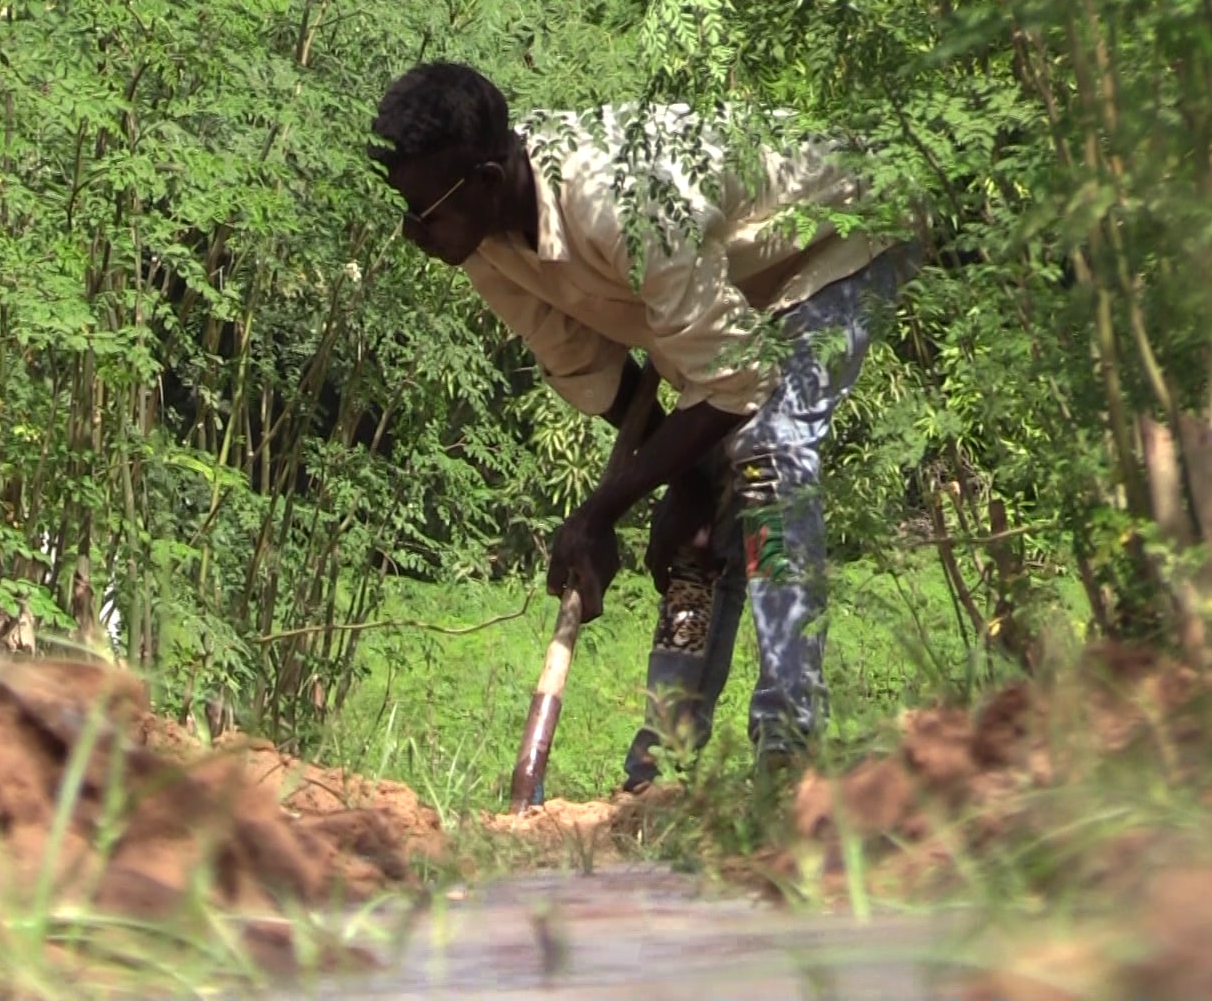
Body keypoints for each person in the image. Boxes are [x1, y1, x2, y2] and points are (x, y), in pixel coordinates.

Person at [367, 61, 923, 794]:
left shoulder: (618, 199)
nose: (415, 234)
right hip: (725, 308)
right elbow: (595, 370)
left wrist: (606, 508)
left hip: (837, 242)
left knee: (767, 454)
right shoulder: (486, 248)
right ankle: (662, 763)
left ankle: (791, 751)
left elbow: (736, 382)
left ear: (488, 179)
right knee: (697, 534)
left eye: (426, 209)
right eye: (404, 209)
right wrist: (683, 482)